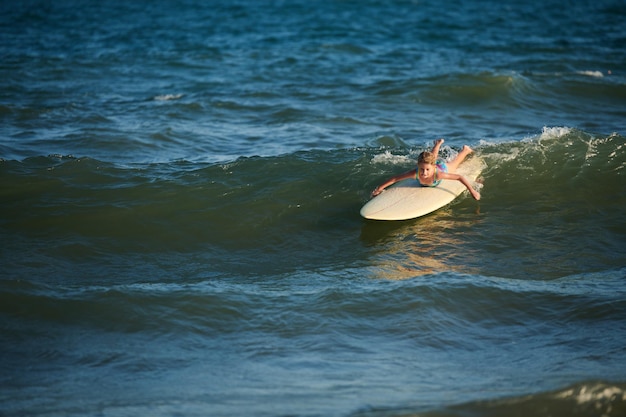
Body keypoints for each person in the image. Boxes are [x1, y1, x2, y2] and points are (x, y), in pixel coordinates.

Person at [371, 139, 481, 200]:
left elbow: (459, 177)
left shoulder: (438, 175)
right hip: (431, 164)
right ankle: (438, 144)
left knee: (455, 163)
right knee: (431, 158)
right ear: (418, 166)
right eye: (421, 169)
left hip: (441, 167)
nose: (424, 173)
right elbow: (395, 178)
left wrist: (472, 191)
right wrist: (380, 188)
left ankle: (465, 150)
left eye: (427, 170)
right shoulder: (416, 173)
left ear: (432, 168)